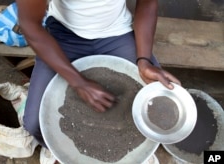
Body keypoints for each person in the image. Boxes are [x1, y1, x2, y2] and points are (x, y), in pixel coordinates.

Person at [16, 0, 180, 155]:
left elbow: (148, 2)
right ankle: (60, 152)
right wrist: (79, 82)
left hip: (117, 32)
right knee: (35, 123)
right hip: (64, 34)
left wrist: (144, 61)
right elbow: (29, 25)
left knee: (157, 104)